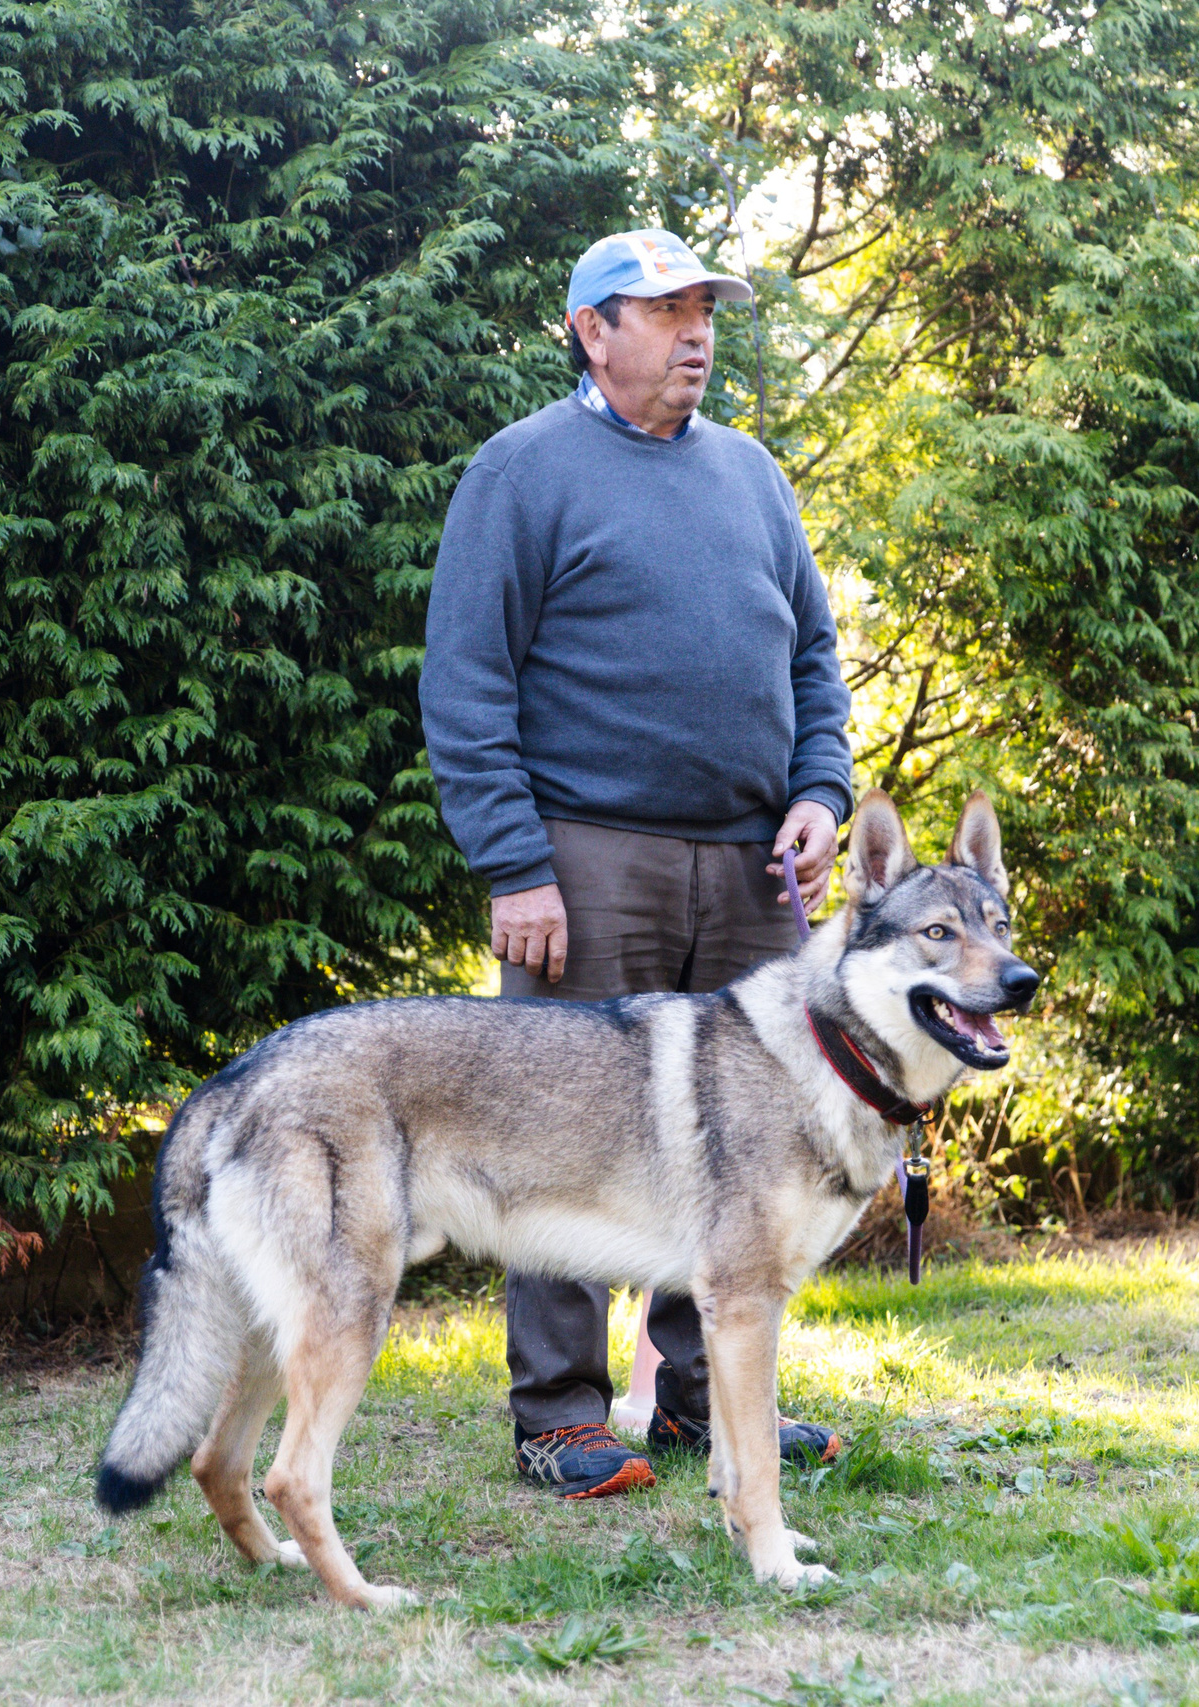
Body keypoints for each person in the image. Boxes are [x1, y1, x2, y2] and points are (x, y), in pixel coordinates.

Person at [419, 228, 855, 1498]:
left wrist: (818, 793)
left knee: (739, 1145)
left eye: (703, 310)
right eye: (662, 311)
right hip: (585, 861)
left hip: (747, 872)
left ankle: (702, 1405)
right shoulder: (522, 472)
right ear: (590, 331)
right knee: (559, 1139)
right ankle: (559, 1414)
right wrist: (515, 864)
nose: (695, 333)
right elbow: (467, 684)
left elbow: (814, 663)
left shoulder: (751, 475)